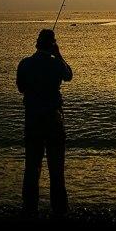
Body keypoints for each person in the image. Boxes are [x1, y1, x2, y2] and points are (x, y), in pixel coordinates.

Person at [16, 28, 73, 216]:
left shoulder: (25, 64)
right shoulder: (56, 64)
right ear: (52, 45)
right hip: (54, 121)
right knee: (56, 168)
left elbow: (21, 88)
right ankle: (59, 209)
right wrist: (59, 54)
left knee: (32, 167)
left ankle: (29, 208)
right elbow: (69, 75)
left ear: (36, 44)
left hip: (32, 121)